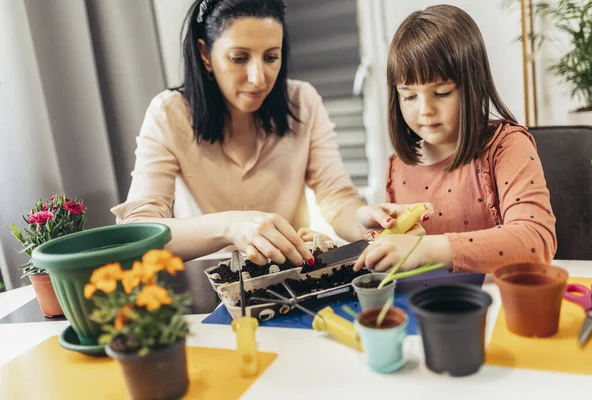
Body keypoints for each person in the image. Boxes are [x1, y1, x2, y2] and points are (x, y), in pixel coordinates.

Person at [111, 0, 429, 267]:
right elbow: (138, 232)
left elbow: (336, 198)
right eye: (239, 58)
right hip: (205, 291)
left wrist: (363, 218)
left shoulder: (303, 102)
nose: (258, 77)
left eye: (270, 57)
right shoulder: (168, 114)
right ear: (205, 54)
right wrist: (231, 226)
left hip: (287, 276)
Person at [354, 5, 557, 274]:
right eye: (409, 96)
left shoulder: (507, 146)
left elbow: (536, 241)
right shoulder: (399, 165)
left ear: (473, 87)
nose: (425, 109)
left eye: (442, 92)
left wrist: (425, 250)